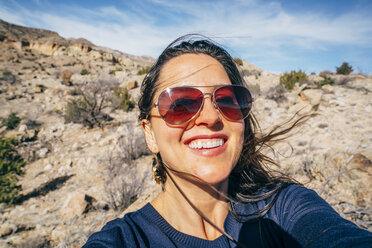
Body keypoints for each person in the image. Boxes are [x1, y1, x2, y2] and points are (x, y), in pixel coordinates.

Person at [83, 35, 372, 248]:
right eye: (181, 103)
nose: (211, 117)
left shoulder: (284, 208)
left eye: (228, 101)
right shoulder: (124, 240)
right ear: (149, 133)